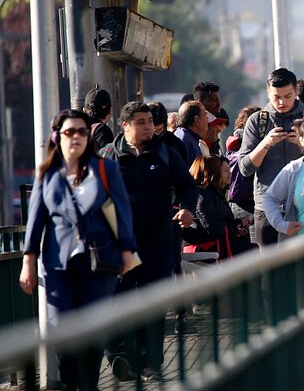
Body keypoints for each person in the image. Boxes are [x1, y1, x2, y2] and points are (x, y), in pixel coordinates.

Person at [19, 109, 137, 390]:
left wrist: (127, 251)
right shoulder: (48, 173)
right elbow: (35, 219)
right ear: (57, 137)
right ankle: (74, 384)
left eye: (82, 131)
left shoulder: (105, 169)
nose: (76, 137)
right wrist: (28, 260)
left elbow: (122, 211)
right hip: (58, 265)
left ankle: (88, 385)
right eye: (69, 132)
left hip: (100, 263)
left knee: (92, 331)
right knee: (63, 330)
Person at [99, 102, 198, 381]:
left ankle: (151, 362)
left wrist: (187, 208)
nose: (148, 127)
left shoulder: (165, 152)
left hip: (157, 242)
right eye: (141, 122)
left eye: (150, 122)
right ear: (125, 126)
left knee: (154, 303)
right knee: (121, 300)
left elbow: (188, 185)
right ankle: (120, 357)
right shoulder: (108, 156)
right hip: (121, 245)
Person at [239, 68, 304, 246]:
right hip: (267, 208)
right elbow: (245, 168)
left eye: (288, 96)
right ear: (268, 93)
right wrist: (265, 144)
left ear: (296, 92)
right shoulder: (257, 121)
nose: (281, 102)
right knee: (269, 268)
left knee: (303, 267)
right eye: (276, 97)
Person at [183, 156, 253, 259]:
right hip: (208, 251)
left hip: (219, 248)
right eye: (224, 170)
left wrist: (238, 225)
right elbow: (212, 228)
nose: (229, 173)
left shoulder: (213, 194)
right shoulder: (202, 196)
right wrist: (235, 227)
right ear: (212, 172)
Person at [226, 105, 261, 240]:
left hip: (233, 203)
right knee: (254, 247)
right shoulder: (253, 145)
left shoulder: (233, 144)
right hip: (250, 205)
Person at [194, 81, 229, 156]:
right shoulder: (192, 142)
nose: (219, 104)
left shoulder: (215, 143)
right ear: (200, 102)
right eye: (214, 100)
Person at [174, 100, 208, 166]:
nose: (207, 119)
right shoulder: (183, 140)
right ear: (197, 120)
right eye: (205, 115)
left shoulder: (190, 138)